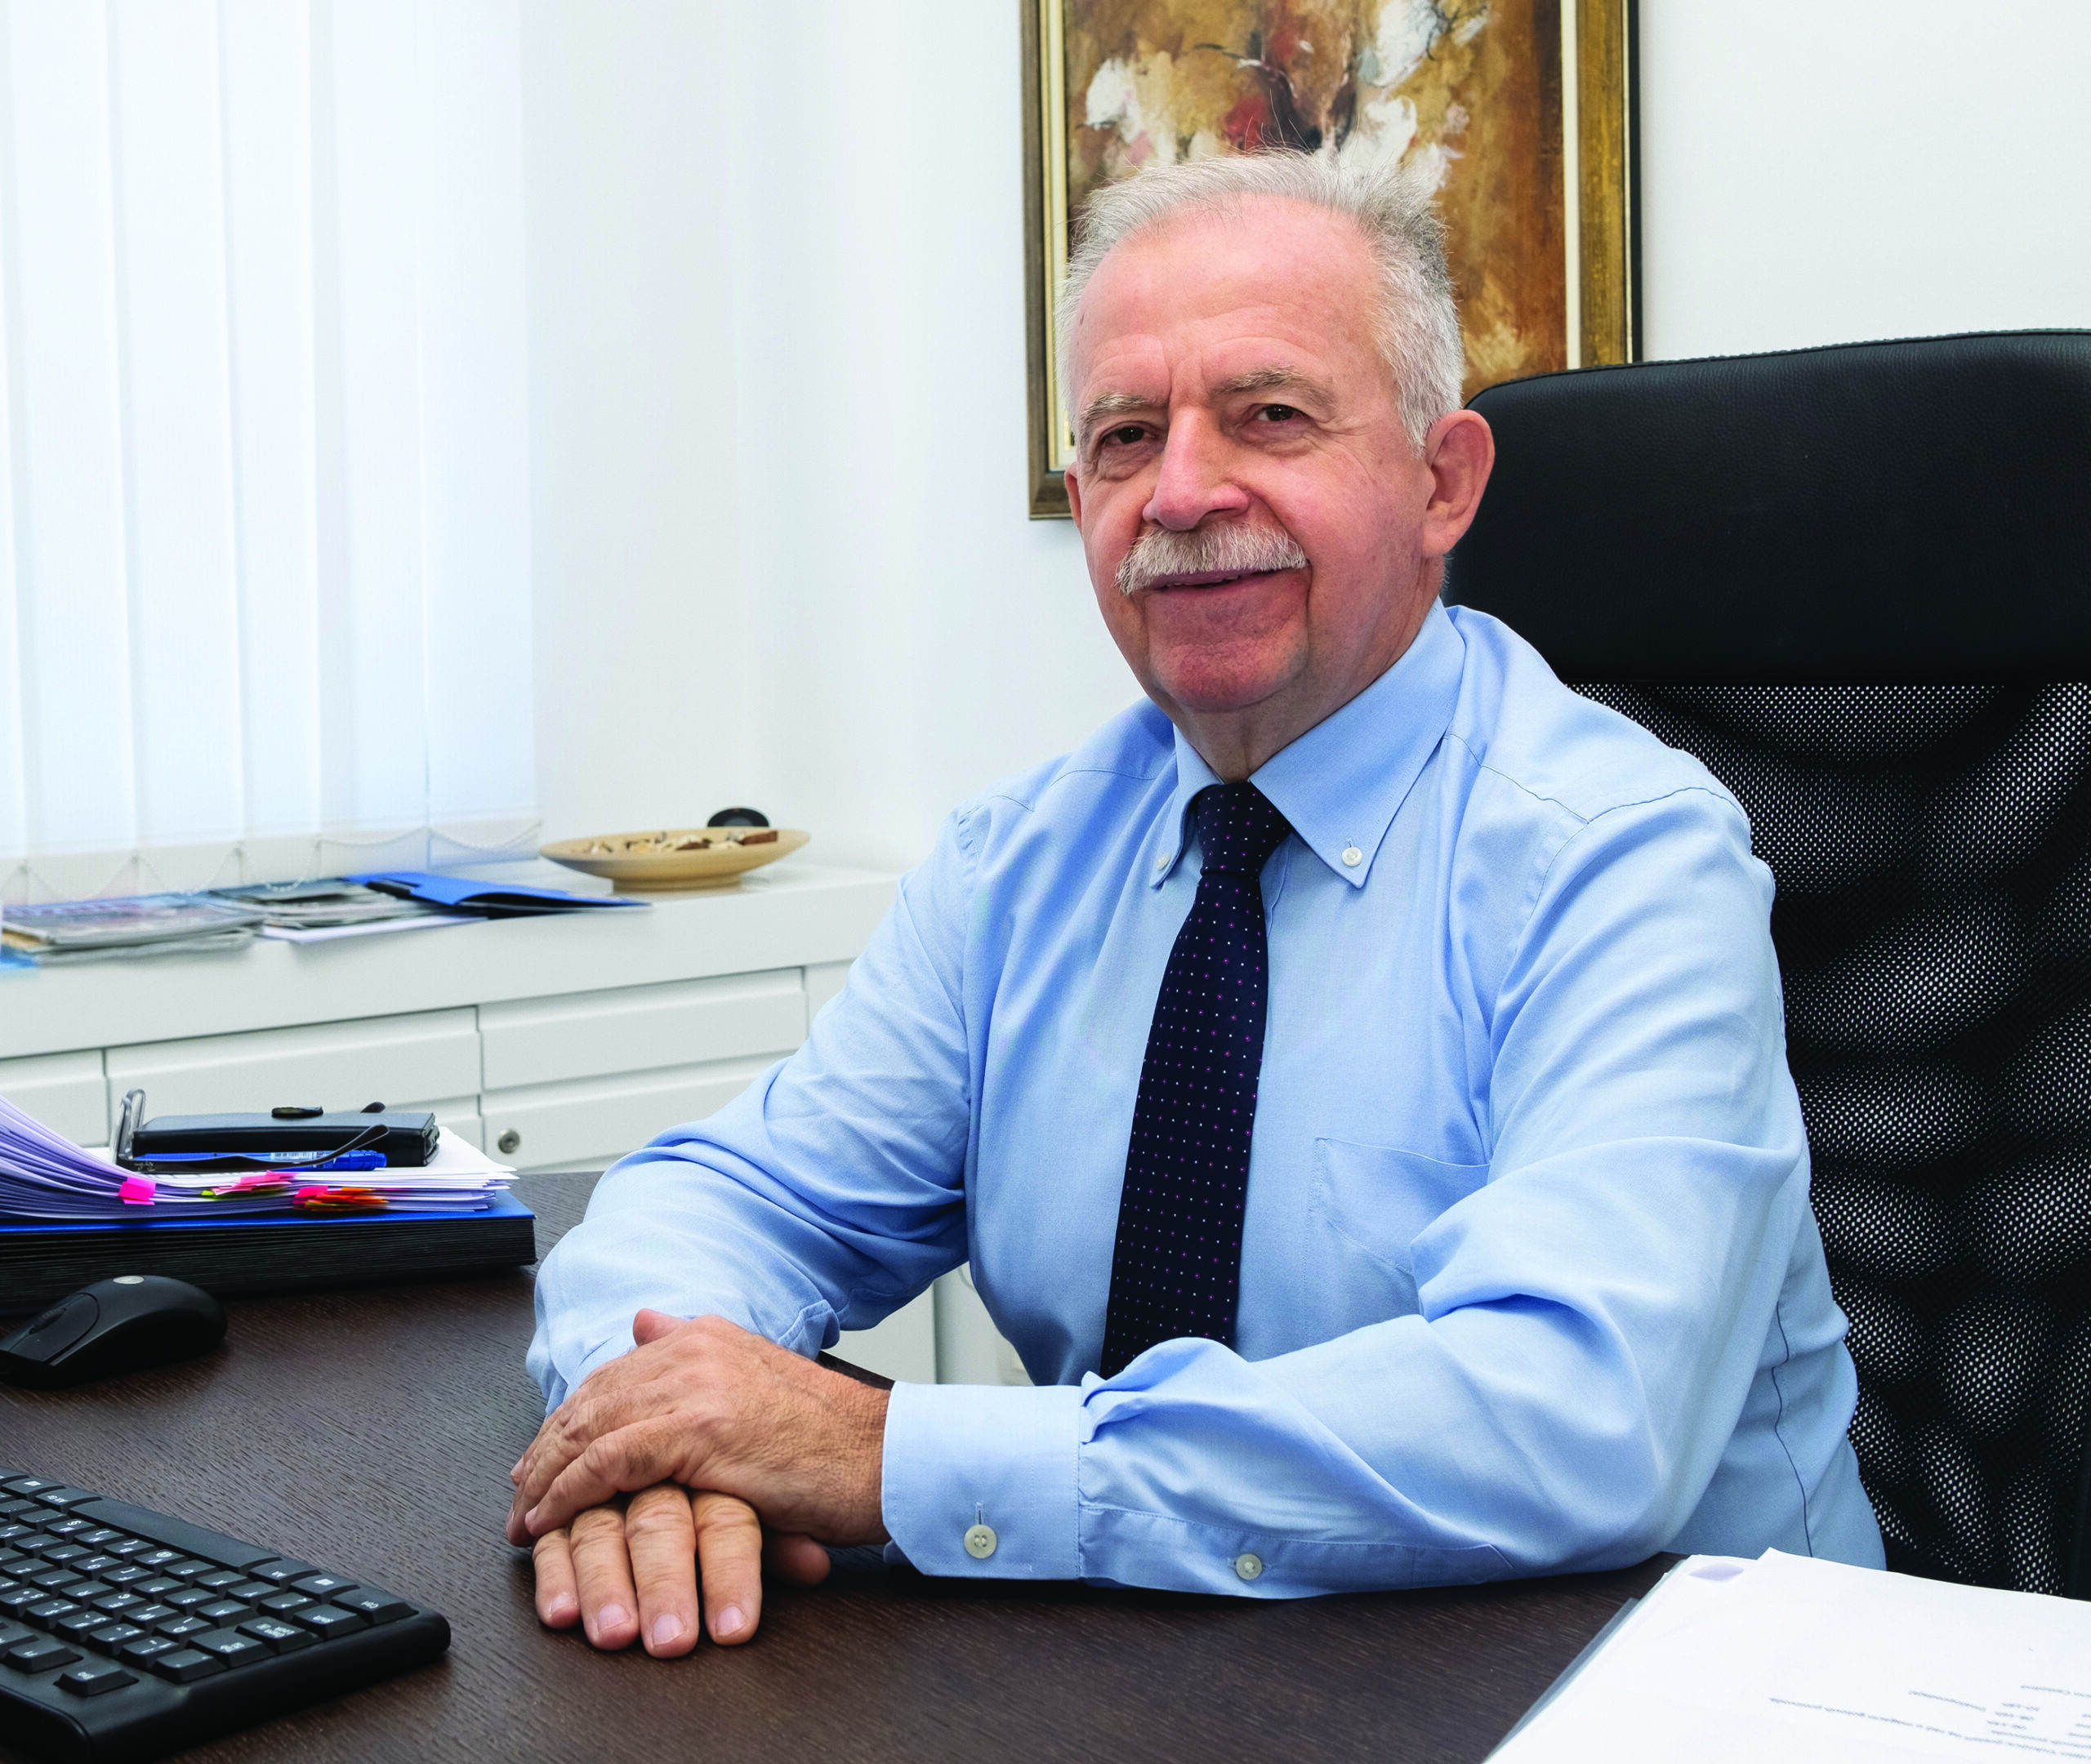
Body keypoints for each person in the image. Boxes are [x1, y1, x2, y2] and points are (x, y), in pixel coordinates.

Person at [510, 149, 1884, 1659]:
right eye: (1123, 437)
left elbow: (1574, 1416)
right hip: (1176, 1676)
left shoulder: (1624, 860)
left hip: (1666, 1686)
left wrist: (884, 1457)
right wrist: (649, 1427)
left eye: (1269, 415)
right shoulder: (1018, 867)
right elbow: (727, 1199)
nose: (1177, 494)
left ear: (1442, 484)